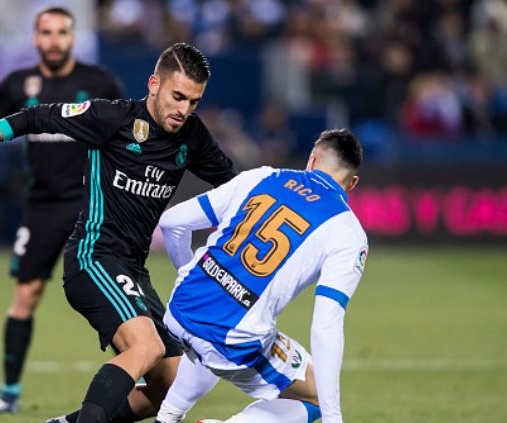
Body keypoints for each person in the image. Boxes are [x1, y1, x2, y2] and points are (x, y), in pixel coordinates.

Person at [0, 43, 237, 423]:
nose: (184, 110)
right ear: (154, 84)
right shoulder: (111, 118)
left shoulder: (193, 137)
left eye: (194, 102)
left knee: (170, 385)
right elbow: (30, 119)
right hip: (94, 256)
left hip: (133, 271)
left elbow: (239, 186)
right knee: (146, 346)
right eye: (178, 96)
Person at [0, 6, 123, 414]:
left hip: (91, 206)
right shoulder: (15, 86)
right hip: (42, 206)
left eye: (62, 32)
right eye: (46, 32)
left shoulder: (101, 83)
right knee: (26, 294)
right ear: (34, 38)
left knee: (109, 293)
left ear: (73, 37)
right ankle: (9, 392)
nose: (54, 40)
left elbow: (125, 141)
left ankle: (140, 369)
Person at [154, 129, 368, 423]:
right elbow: (325, 325)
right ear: (352, 183)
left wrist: (188, 273)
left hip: (179, 308)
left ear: (312, 159)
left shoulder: (261, 177)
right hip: (234, 340)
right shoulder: (347, 231)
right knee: (317, 395)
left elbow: (172, 222)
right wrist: (334, 417)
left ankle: (168, 416)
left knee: (208, 339)